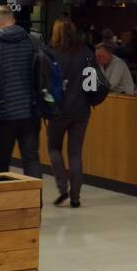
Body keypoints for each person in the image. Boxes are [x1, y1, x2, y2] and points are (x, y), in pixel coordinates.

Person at [0, 5, 41, 179]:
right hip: (30, 111)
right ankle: (36, 202)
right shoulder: (31, 42)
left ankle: (0, 203)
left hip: (4, 115)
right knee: (32, 159)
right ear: (12, 21)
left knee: (1, 162)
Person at [45, 18, 92, 208]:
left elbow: (45, 83)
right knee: (75, 153)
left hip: (58, 110)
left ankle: (62, 187)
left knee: (54, 148)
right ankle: (76, 196)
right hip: (81, 109)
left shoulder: (50, 54)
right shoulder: (85, 53)